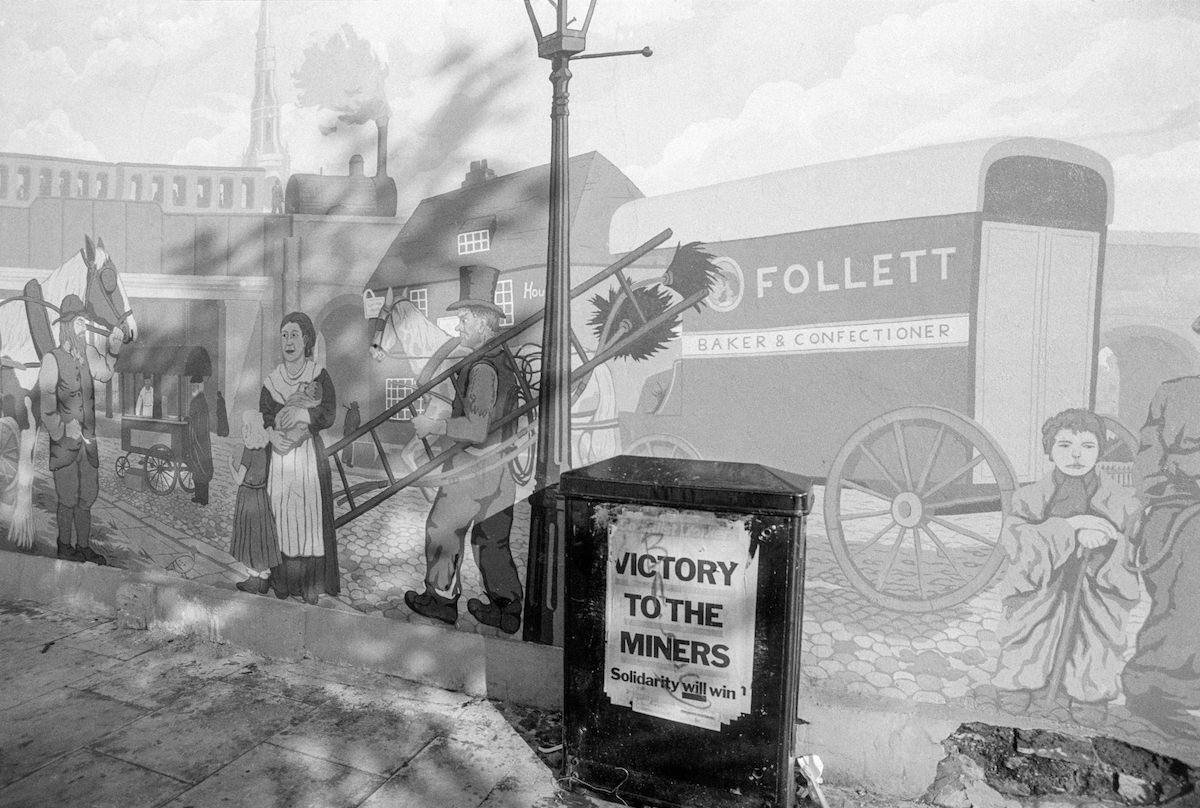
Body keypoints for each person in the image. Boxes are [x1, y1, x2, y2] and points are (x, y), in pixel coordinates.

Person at [992, 409, 1140, 726]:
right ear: (1049, 450)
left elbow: (1133, 540)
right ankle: (1020, 681)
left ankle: (1089, 691)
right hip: (1045, 576)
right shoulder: (1030, 497)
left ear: (1100, 450)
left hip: (1098, 576)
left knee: (1097, 631)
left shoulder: (1122, 499)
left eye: (1087, 446)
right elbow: (1017, 538)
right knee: (1029, 618)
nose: (1076, 455)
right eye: (1064, 446)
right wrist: (1070, 528)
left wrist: (1105, 539)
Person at [405, 265, 523, 634]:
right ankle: (507, 609)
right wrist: (455, 343)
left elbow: (475, 427)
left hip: (474, 469)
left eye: (465, 319)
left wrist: (434, 425)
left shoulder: (483, 368)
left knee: (441, 528)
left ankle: (440, 600)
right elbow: (427, 378)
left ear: (483, 322)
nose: (459, 326)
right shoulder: (498, 357)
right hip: (500, 471)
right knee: (492, 541)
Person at [1122, 371, 1200, 737]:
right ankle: (1152, 688)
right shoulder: (1174, 393)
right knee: (1185, 595)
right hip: (1180, 508)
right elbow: (1150, 463)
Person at [38, 294, 124, 564]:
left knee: (87, 497)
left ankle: (83, 547)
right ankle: (65, 546)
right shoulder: (52, 359)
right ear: (66, 324)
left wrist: (113, 349)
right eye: (79, 322)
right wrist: (62, 429)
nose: (83, 327)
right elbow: (46, 405)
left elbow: (105, 373)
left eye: (84, 322)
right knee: (67, 498)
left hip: (88, 443)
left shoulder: (88, 353)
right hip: (64, 445)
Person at [260, 311, 339, 605]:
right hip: (280, 461)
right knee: (280, 517)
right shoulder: (272, 380)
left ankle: (310, 585)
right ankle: (282, 582)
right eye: (284, 336)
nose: (288, 341)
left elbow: (328, 412)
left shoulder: (318, 374)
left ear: (306, 340)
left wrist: (304, 413)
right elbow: (264, 415)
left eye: (294, 335)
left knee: (309, 518)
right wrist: (270, 434)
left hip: (307, 459)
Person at [230, 411, 280, 595]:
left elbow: (238, 479)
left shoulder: (248, 452)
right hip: (261, 496)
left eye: (245, 427)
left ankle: (253, 579)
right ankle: (264, 579)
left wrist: (229, 464)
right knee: (262, 537)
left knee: (249, 538)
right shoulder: (265, 452)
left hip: (248, 497)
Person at [183, 378, 214, 506]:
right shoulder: (198, 399)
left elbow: (198, 419)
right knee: (197, 467)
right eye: (192, 386)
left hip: (200, 439)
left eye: (196, 386)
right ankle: (199, 496)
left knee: (202, 467)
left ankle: (204, 498)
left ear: (200, 387)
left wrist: (190, 419)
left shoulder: (199, 400)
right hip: (198, 439)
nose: (193, 388)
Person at [342, 401, 360, 467]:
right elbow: (346, 421)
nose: (353, 407)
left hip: (352, 432)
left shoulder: (356, 412)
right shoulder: (350, 412)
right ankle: (345, 459)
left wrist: (356, 428)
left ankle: (347, 461)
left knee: (349, 446)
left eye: (354, 406)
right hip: (348, 431)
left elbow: (358, 421)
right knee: (346, 445)